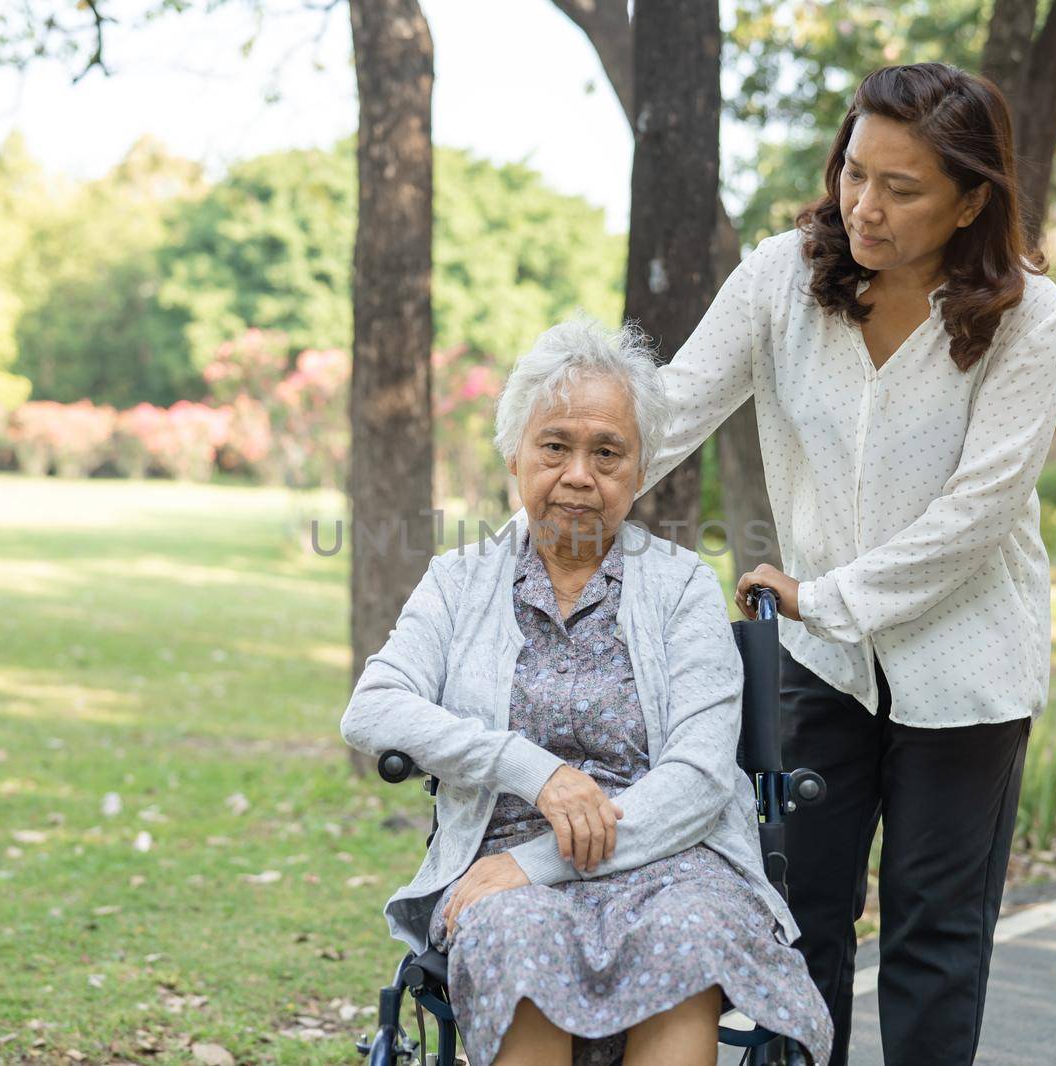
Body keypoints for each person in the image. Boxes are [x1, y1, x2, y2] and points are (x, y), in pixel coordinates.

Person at [639, 63, 1056, 1065]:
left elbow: (976, 514)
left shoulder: (1027, 317)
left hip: (967, 671)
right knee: (798, 927)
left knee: (935, 938)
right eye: (853, 173)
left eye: (902, 187)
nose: (864, 206)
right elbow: (674, 405)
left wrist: (824, 596)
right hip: (822, 668)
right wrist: (571, 456)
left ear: (972, 200)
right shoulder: (780, 279)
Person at [341, 318, 831, 1066]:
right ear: (516, 457)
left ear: (638, 472)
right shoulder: (459, 581)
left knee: (689, 931)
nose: (579, 474)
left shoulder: (681, 588)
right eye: (555, 446)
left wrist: (541, 862)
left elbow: (699, 779)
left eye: (608, 453)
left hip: (670, 853)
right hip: (499, 854)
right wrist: (534, 773)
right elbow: (372, 709)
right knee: (514, 931)